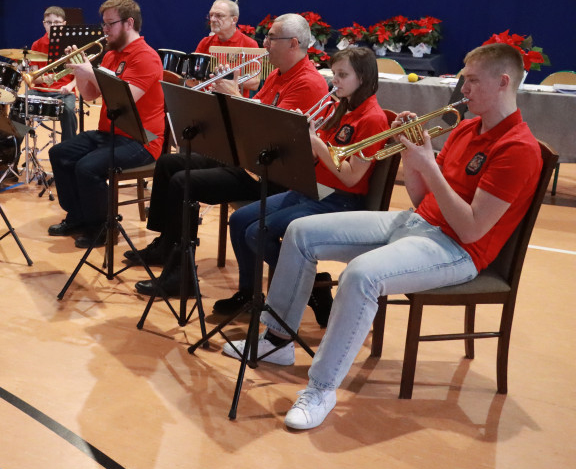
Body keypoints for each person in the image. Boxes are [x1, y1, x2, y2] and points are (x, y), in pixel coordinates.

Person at [224, 43, 543, 430]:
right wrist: (412, 154)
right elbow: (423, 197)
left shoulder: (518, 148)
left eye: (473, 81)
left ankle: (321, 388)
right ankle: (278, 340)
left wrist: (430, 165)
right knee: (299, 231)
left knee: (361, 276)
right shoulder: (469, 127)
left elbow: (472, 227)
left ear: (503, 82)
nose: (464, 89)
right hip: (416, 222)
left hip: (456, 248)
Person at [133, 13, 330, 296]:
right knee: (169, 163)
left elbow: (274, 135)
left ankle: (181, 277)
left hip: (273, 174)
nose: (265, 44)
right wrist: (224, 97)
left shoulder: (308, 83)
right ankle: (168, 247)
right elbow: (248, 122)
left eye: (271, 38)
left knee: (182, 182)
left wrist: (236, 96)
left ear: (294, 44)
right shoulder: (277, 73)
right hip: (250, 159)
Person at [216, 47, 389, 323]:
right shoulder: (338, 108)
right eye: (335, 74)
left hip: (340, 200)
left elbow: (351, 176)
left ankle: (312, 286)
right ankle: (249, 294)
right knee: (239, 221)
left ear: (364, 77)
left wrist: (316, 142)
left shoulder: (373, 119)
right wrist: (296, 133)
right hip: (312, 190)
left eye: (343, 75)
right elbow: (311, 158)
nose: (336, 81)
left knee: (257, 233)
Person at [47, 0, 165, 248]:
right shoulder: (112, 55)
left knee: (87, 168)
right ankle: (78, 216)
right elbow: (90, 95)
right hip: (110, 133)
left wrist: (91, 71)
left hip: (142, 139)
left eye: (110, 24)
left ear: (129, 23)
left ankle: (102, 229)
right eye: (104, 24)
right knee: (60, 153)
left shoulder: (146, 56)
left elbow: (125, 100)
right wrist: (79, 71)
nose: (105, 30)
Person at [26, 6, 78, 140]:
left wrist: (71, 86)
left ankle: (67, 150)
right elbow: (33, 79)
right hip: (40, 91)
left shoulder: (72, 46)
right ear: (44, 24)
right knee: (18, 105)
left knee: (68, 110)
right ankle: (11, 148)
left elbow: (79, 74)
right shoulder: (36, 45)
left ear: (64, 24)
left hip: (65, 92)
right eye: (49, 22)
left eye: (57, 23)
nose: (53, 26)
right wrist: (45, 78)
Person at [194, 0, 261, 95]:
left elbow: (254, 83)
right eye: (211, 15)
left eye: (219, 16)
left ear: (234, 20)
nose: (212, 19)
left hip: (234, 104)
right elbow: (194, 76)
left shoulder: (250, 44)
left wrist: (223, 81)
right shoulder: (205, 42)